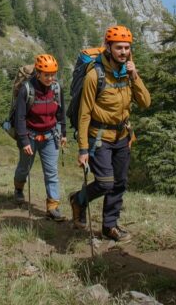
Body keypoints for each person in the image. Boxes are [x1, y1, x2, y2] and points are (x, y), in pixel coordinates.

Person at [68, 25, 151, 243]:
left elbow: (145, 102)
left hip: (122, 136)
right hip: (99, 138)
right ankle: (78, 200)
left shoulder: (128, 74)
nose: (123, 52)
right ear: (108, 47)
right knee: (105, 182)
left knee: (120, 183)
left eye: (127, 48)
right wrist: (83, 149)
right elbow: (84, 114)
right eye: (118, 47)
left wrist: (134, 76)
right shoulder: (95, 75)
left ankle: (110, 226)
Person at [12, 54, 68, 221]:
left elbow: (60, 113)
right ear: (38, 73)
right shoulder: (27, 90)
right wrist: (24, 141)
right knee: (24, 168)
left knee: (51, 172)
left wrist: (63, 133)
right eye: (46, 75)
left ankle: (53, 207)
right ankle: (18, 189)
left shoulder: (56, 88)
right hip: (30, 136)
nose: (50, 78)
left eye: (52, 74)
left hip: (50, 136)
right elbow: (20, 117)